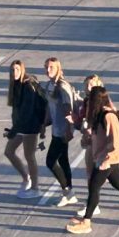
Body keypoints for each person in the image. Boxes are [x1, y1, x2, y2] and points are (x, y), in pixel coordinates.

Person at [65, 86, 119, 234]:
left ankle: (86, 222)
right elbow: (99, 138)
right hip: (103, 158)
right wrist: (88, 140)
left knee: (94, 187)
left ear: (97, 100)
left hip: (108, 159)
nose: (88, 103)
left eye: (90, 100)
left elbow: (115, 143)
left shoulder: (109, 117)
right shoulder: (99, 116)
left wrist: (106, 161)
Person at [6, 60, 48, 199]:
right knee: (9, 152)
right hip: (20, 126)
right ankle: (26, 177)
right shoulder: (17, 85)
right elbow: (17, 111)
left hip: (30, 126)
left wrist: (13, 130)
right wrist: (14, 128)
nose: (14, 72)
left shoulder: (28, 86)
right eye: (12, 70)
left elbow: (27, 112)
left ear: (22, 70)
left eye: (17, 69)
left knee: (29, 156)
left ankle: (35, 188)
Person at [43, 57, 80, 208]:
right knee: (63, 161)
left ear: (59, 68)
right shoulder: (49, 85)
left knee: (50, 162)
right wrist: (44, 125)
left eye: (51, 67)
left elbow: (68, 109)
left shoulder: (62, 86)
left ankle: (67, 192)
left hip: (63, 131)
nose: (48, 70)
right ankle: (69, 192)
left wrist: (69, 129)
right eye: (46, 67)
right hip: (56, 129)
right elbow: (49, 107)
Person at [75, 74, 105, 219]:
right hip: (91, 141)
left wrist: (90, 130)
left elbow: (105, 122)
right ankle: (93, 205)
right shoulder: (87, 102)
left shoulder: (102, 103)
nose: (89, 88)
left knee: (111, 177)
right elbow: (82, 120)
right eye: (87, 85)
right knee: (90, 174)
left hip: (101, 143)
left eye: (92, 85)